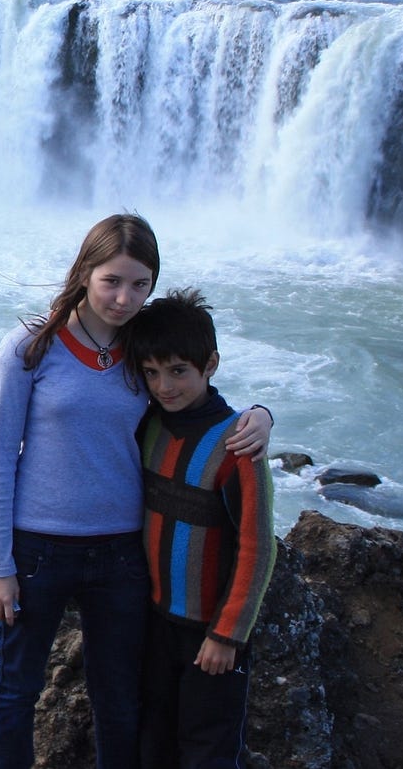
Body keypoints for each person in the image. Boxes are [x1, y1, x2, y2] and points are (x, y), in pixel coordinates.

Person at [0, 213, 271, 769]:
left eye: (140, 284)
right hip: (38, 550)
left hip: (122, 552)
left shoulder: (142, 351)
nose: (124, 298)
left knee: (119, 699)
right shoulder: (30, 347)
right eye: (112, 280)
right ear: (86, 271)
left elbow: (194, 396)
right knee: (16, 689)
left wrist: (260, 415)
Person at [126, 289, 277, 769]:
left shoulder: (238, 446)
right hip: (153, 624)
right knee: (153, 740)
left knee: (207, 748)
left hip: (210, 636)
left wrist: (228, 634)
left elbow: (257, 547)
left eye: (177, 371)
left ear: (210, 364)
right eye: (151, 373)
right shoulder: (148, 426)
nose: (164, 386)